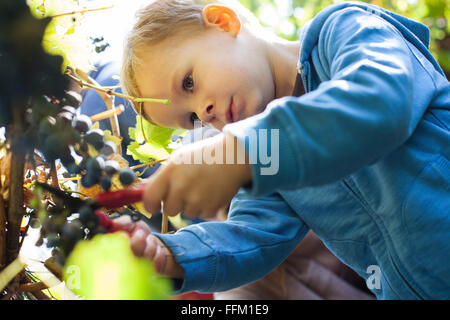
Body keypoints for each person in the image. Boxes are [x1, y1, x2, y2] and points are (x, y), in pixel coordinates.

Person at [115, 0, 450, 299]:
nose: (203, 113)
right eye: (190, 118)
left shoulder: (344, 28)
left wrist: (245, 151)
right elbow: (249, 237)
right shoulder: (267, 158)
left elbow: (380, 101)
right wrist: (171, 255)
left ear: (222, 21)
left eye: (188, 82)